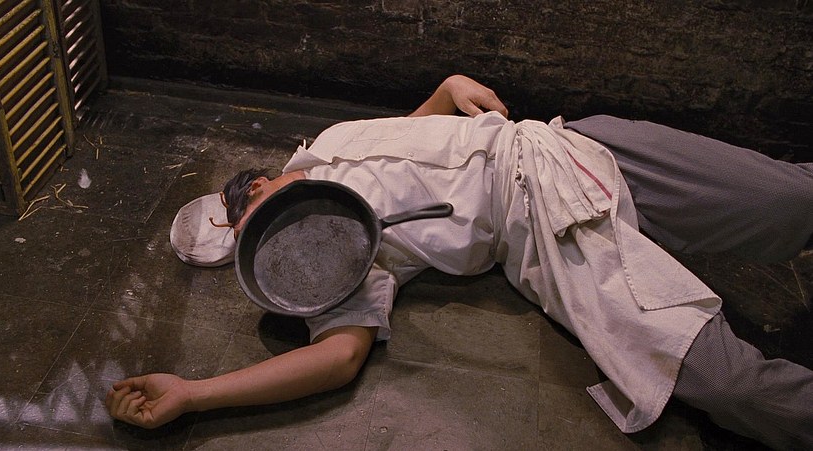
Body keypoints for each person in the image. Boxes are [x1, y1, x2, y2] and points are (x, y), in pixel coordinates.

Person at [106, 75, 813, 449]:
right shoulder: (338, 260)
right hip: (551, 239)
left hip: (572, 150)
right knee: (733, 390)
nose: (276, 226)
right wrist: (196, 393)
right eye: (257, 236)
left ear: (264, 180)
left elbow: (420, 122)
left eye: (258, 207)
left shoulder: (333, 139)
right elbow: (336, 358)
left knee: (788, 199)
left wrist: (450, 86)